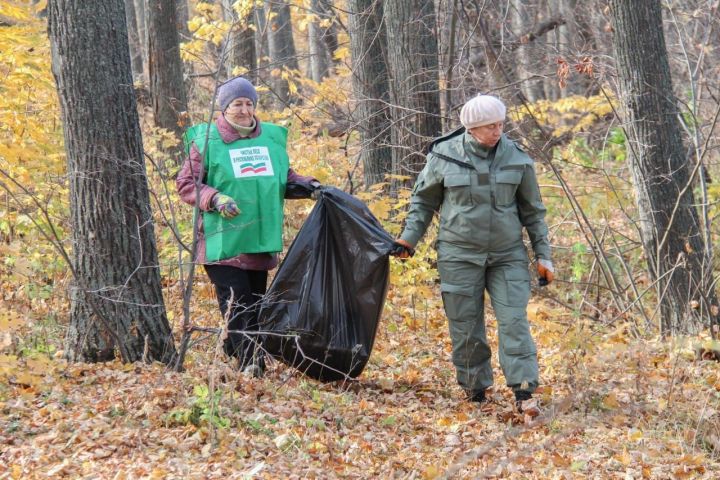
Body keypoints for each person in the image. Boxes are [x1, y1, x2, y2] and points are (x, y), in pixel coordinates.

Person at [393, 95, 554, 416]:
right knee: (465, 326)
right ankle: (475, 388)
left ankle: (524, 392)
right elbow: (423, 203)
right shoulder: (444, 156)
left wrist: (543, 255)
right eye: (489, 126)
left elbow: (533, 212)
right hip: (458, 255)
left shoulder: (516, 158)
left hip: (506, 256)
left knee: (514, 321)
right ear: (472, 128)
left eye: (500, 124)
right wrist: (408, 240)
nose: (498, 131)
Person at [176, 76, 320, 378]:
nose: (244, 109)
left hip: (258, 238)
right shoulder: (207, 140)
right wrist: (215, 199)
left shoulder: (269, 139)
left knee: (254, 304)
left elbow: (286, 177)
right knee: (238, 299)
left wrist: (311, 186)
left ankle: (233, 349)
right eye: (236, 104)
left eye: (248, 103)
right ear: (224, 108)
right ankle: (251, 362)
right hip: (222, 240)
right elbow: (186, 183)